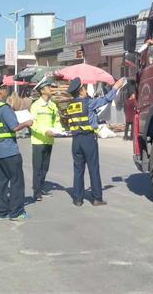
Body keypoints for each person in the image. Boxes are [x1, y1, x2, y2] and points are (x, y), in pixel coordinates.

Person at [67, 76, 125, 206]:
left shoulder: (70, 106)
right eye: (84, 89)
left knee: (78, 170)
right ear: (81, 90)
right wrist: (116, 87)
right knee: (93, 168)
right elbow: (106, 99)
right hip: (88, 139)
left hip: (76, 141)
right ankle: (97, 198)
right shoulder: (89, 103)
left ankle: (77, 199)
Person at [0, 76, 33, 221]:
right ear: (0, 91)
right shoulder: (3, 108)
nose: (7, 91)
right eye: (5, 89)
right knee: (16, 181)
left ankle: (0, 212)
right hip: (9, 151)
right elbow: (15, 126)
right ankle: (16, 212)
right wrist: (27, 123)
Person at [30, 77, 63, 201]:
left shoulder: (53, 105)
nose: (51, 89)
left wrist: (58, 130)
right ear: (42, 90)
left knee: (45, 167)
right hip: (38, 141)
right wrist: (45, 131)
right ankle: (36, 192)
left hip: (49, 140)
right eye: (49, 87)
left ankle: (41, 187)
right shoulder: (35, 105)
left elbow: (57, 120)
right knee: (37, 167)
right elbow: (33, 123)